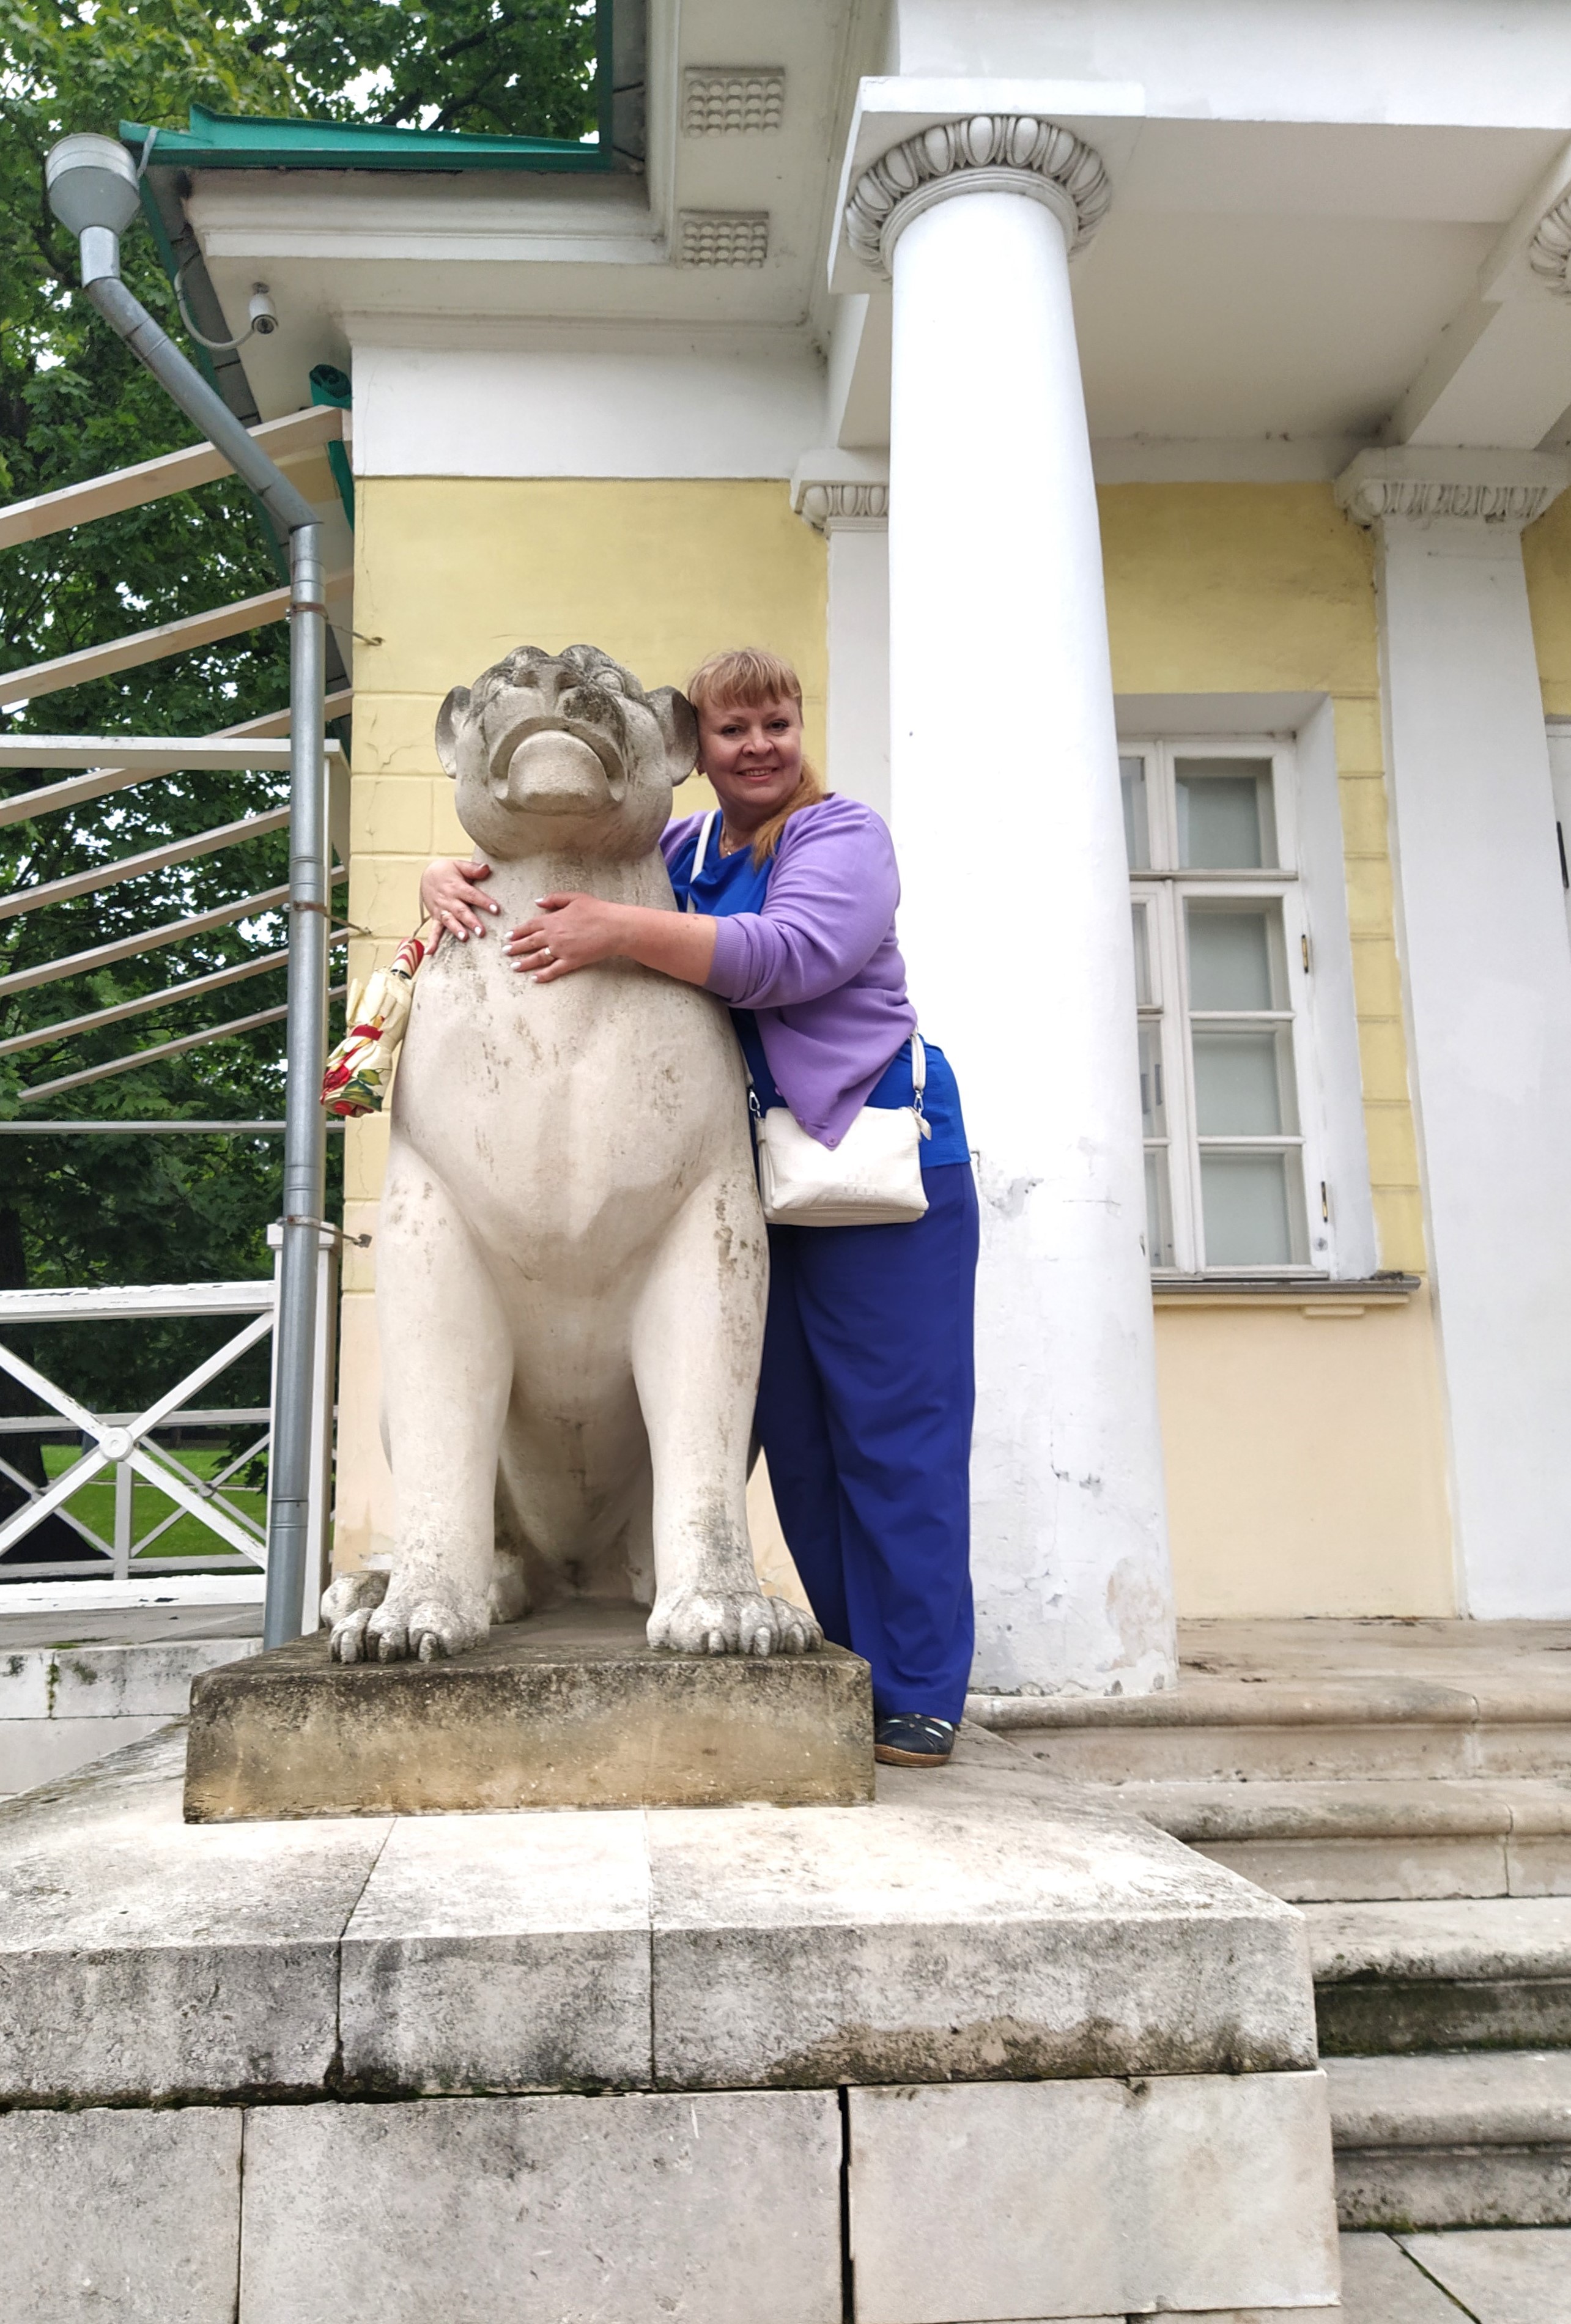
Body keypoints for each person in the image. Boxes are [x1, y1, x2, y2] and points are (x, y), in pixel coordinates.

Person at [420, 647, 978, 1767]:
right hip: (757, 1185)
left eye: (777, 724)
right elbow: (565, 857)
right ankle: (859, 1665)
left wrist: (618, 932)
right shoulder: (687, 850)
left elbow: (796, 956)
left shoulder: (839, 835)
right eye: (734, 730)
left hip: (864, 1169)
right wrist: (439, 877)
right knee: (798, 1444)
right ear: (695, 750)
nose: (758, 747)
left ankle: (920, 1689)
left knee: (894, 1435)